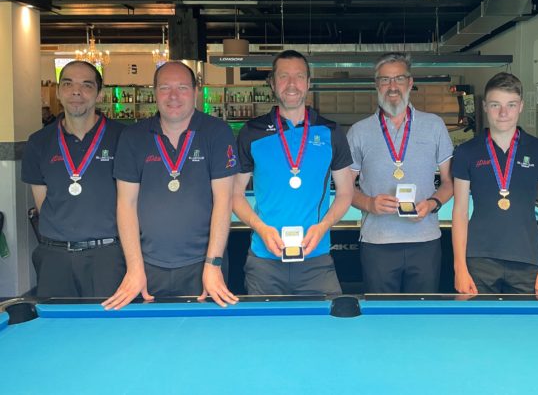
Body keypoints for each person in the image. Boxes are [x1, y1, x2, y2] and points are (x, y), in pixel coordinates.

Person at [103, 61, 239, 309]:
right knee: (147, 332)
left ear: (196, 92)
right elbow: (126, 204)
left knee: (204, 332)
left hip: (202, 266)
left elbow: (224, 200)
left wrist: (213, 265)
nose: (173, 96)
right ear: (154, 92)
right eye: (165, 88)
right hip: (147, 267)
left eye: (182, 88)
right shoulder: (133, 137)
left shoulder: (217, 132)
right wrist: (135, 268)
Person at [232, 50, 353, 296]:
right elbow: (234, 194)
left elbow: (346, 192)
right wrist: (261, 228)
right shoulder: (251, 132)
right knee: (263, 322)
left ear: (308, 83)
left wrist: (324, 226)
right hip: (264, 261)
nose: (291, 84)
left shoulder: (331, 131)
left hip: (316, 260)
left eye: (298, 76)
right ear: (272, 83)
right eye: (283, 76)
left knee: (329, 321)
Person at [347, 52, 453, 293]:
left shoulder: (434, 125)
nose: (392, 86)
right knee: (381, 314)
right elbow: (346, 188)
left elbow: (449, 182)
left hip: (425, 241)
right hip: (377, 242)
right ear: (377, 85)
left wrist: (432, 204)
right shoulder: (358, 131)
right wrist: (369, 203)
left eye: (399, 79)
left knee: (423, 312)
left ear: (410, 83)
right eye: (385, 80)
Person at [22, 61, 125, 296]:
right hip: (55, 257)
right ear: (58, 92)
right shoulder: (38, 142)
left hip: (108, 256)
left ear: (99, 94)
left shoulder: (123, 137)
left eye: (86, 85)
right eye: (68, 84)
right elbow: (43, 204)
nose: (76, 91)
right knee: (55, 319)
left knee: (109, 320)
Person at [451, 73, 538, 295]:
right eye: (495, 105)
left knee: (527, 319)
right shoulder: (466, 152)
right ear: (485, 106)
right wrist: (459, 267)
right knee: (478, 318)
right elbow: (460, 211)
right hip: (478, 259)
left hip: (528, 259)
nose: (503, 113)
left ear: (521, 106)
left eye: (511, 105)